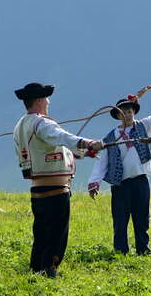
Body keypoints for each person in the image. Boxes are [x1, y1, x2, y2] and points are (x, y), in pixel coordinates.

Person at [14, 82, 104, 278]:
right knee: (56, 235)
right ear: (39, 100)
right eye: (46, 98)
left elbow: (51, 147)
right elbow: (61, 136)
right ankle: (49, 270)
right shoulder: (42, 123)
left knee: (41, 234)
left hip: (37, 191)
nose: (48, 101)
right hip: (54, 191)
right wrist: (87, 143)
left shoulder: (21, 124)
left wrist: (82, 152)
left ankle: (36, 270)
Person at [87, 77, 151, 255]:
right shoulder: (110, 137)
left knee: (142, 217)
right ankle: (120, 251)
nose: (127, 114)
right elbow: (102, 161)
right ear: (117, 116)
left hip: (141, 181)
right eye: (123, 112)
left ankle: (143, 250)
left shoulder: (145, 127)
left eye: (129, 111)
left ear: (134, 112)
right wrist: (94, 182)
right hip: (120, 185)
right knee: (120, 220)